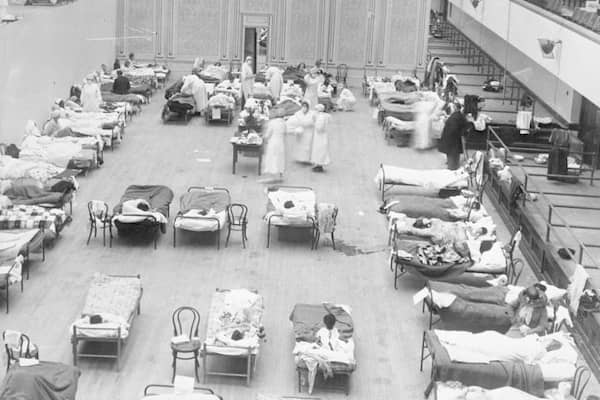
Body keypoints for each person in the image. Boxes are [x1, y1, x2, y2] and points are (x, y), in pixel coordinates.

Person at [438, 104, 470, 170]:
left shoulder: (456, 115)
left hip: (450, 137)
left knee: (452, 153)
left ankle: (452, 164)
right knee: (453, 154)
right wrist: (463, 133)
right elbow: (463, 128)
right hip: (452, 138)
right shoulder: (459, 117)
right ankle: (452, 166)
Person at [260, 108, 286, 182]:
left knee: (272, 159)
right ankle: (280, 175)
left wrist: (263, 137)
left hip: (273, 142)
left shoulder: (272, 123)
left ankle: (272, 176)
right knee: (280, 158)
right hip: (281, 143)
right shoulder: (284, 123)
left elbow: (268, 134)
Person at [310, 104, 331, 172]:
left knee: (319, 150)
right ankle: (318, 165)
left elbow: (319, 128)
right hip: (322, 136)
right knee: (320, 150)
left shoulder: (320, 117)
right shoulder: (324, 116)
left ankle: (319, 166)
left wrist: (314, 123)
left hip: (320, 136)